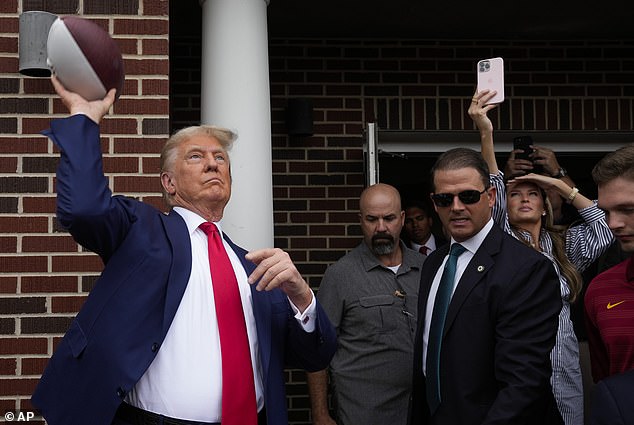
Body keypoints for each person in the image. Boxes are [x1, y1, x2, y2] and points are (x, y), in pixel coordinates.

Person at [31, 77, 337, 425]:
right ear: (169, 182)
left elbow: (318, 355)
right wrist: (85, 117)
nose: (213, 164)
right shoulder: (141, 230)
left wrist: (302, 296)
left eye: (220, 158)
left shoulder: (255, 268)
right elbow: (83, 209)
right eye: (197, 156)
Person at [469, 89, 614, 425]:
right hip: (517, 371)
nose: (523, 198)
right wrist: (485, 132)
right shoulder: (500, 241)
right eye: (514, 193)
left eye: (532, 193)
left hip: (563, 371)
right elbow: (492, 185)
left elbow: (605, 228)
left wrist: (557, 184)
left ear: (545, 204)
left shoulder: (564, 246)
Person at [409, 147, 564, 425]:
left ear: (491, 197)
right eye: (445, 199)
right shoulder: (433, 264)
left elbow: (523, 383)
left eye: (468, 196)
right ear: (434, 203)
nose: (456, 207)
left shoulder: (526, 269)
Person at [306, 183, 423, 425]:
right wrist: (320, 414)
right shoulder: (340, 275)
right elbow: (317, 348)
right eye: (372, 219)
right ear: (361, 220)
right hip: (364, 413)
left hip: (421, 410)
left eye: (389, 218)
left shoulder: (426, 268)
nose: (381, 227)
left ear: (402, 219)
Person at [584, 144, 634, 383]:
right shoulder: (601, 290)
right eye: (606, 212)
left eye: (627, 209)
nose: (613, 223)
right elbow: (606, 385)